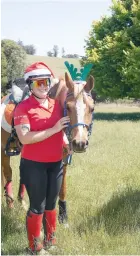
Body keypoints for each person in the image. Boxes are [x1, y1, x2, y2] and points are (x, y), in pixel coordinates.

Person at [14, 62, 70, 254]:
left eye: (46, 82)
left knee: (52, 204)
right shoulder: (23, 108)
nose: (45, 86)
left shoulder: (57, 105)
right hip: (33, 165)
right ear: (30, 85)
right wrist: (53, 130)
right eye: (39, 83)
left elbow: (63, 129)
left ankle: (50, 240)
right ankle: (35, 247)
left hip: (56, 164)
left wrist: (64, 139)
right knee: (37, 205)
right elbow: (24, 138)